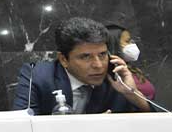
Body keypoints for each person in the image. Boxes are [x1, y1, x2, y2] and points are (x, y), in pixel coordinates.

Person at [12, 17, 152, 114]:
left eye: (102, 54)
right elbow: (22, 128)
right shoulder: (38, 76)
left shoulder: (115, 76)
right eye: (85, 57)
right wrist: (87, 127)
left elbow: (159, 124)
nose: (98, 65)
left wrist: (132, 94)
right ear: (64, 59)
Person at [106, 24, 155, 100]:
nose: (132, 44)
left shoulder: (130, 69)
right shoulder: (113, 78)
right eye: (127, 41)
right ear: (114, 45)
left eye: (131, 41)